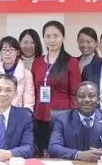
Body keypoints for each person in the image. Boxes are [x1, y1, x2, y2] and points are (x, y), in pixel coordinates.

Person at [31, 20, 81, 154]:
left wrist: (72, 118)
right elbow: (34, 91)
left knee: (59, 153)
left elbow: (75, 93)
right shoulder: (37, 62)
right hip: (40, 115)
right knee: (41, 153)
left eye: (56, 36)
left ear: (63, 37)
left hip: (62, 116)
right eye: (48, 36)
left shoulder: (71, 62)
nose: (51, 40)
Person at [48, 81, 102, 161]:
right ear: (75, 100)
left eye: (91, 96)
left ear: (98, 100)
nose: (86, 100)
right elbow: (54, 148)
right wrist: (79, 155)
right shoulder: (63, 120)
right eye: (82, 96)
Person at [0, 36, 35, 112]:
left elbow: (29, 102)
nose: (7, 53)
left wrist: (25, 116)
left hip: (18, 113)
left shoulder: (26, 74)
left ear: (17, 52)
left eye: (11, 50)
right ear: (0, 52)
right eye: (4, 50)